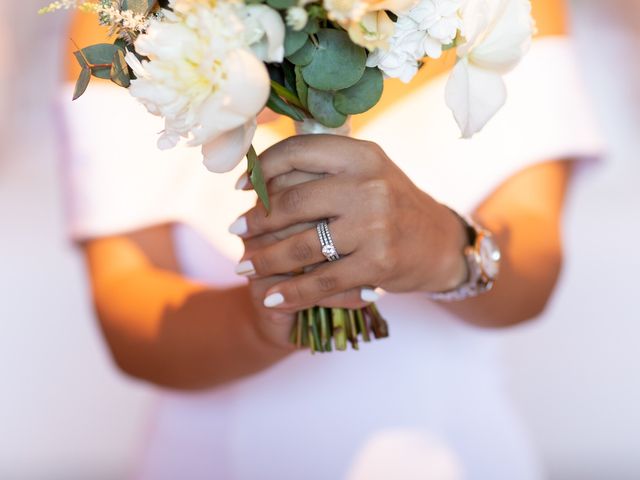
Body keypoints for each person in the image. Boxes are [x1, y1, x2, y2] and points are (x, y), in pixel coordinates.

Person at [62, 0, 602, 478]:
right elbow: (127, 310)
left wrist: (441, 248)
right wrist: (260, 320)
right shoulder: (131, 17)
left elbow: (533, 267)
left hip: (452, 457)